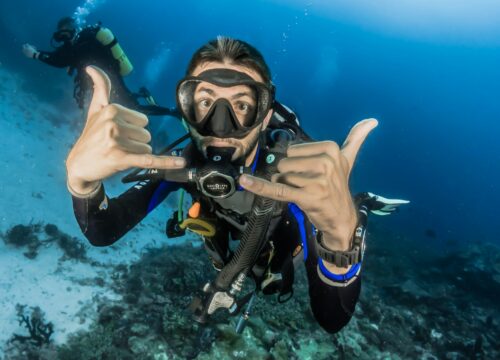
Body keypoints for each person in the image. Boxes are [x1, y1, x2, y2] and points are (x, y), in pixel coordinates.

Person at [65, 37, 408, 333]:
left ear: (264, 117)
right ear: (186, 110)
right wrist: (82, 183)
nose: (221, 125)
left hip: (281, 252)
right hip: (231, 256)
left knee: (331, 223)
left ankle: (359, 206)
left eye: (242, 105)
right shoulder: (182, 162)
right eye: (205, 102)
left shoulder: (294, 180)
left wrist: (340, 237)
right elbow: (103, 230)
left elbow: (332, 318)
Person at [22, 16, 177, 117]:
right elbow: (61, 56)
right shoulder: (76, 43)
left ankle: (172, 112)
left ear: (72, 28)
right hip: (105, 80)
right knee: (120, 102)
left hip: (110, 79)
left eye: (65, 30)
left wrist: (36, 55)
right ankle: (142, 94)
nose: (63, 36)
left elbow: (60, 60)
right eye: (61, 32)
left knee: (133, 109)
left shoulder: (84, 42)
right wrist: (37, 52)